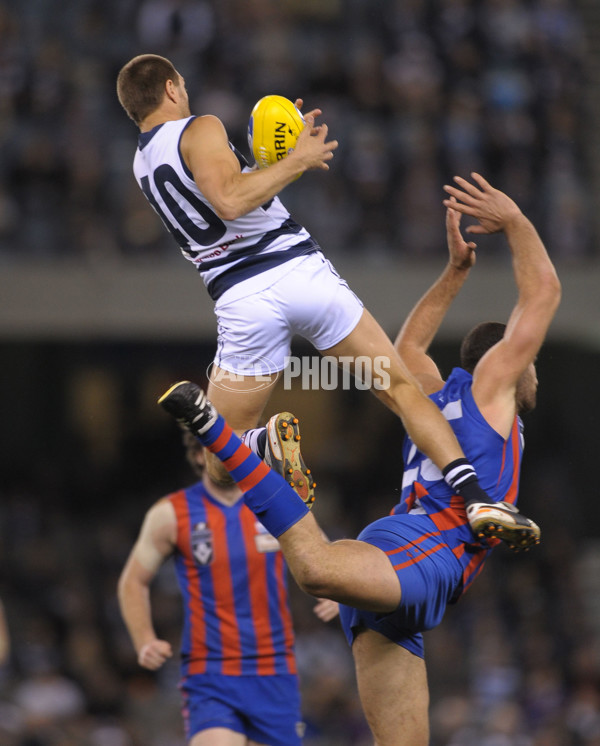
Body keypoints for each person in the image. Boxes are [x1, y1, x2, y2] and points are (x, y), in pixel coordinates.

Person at [157, 173, 561, 746]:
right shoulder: (494, 387)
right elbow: (543, 292)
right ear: (511, 362)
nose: (533, 368)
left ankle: (248, 456)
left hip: (410, 569)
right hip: (427, 549)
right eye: (531, 361)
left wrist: (455, 274)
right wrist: (517, 222)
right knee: (316, 570)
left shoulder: (433, 394)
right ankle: (235, 446)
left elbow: (408, 351)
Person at [116, 54, 538, 545]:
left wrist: (267, 160)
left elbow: (223, 200)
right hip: (296, 271)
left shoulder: (141, 161)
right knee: (401, 389)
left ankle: (263, 442)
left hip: (240, 300)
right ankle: (477, 494)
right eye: (182, 84)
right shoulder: (201, 126)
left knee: (219, 460)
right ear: (170, 89)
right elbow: (230, 200)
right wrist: (296, 161)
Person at [118, 430, 333, 746]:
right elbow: (132, 580)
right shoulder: (171, 513)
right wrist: (144, 639)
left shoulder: (276, 501)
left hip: (274, 668)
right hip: (211, 671)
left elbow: (325, 555)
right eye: (220, 449)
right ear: (197, 456)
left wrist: (333, 592)